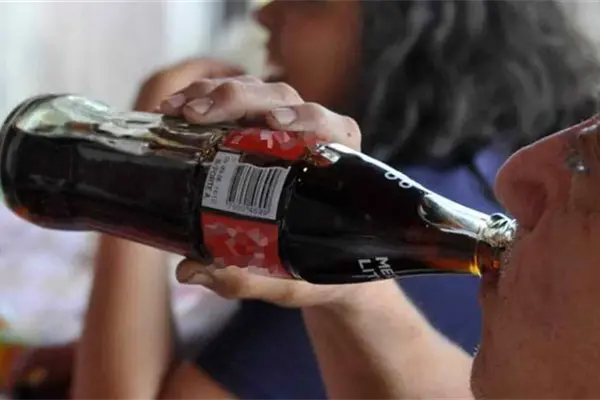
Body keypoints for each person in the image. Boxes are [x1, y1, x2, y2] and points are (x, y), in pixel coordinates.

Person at [66, 0, 600, 399]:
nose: (265, 15)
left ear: (406, 36)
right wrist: (347, 295)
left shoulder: (421, 217)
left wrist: (136, 169)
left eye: (590, 163)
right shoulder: (422, 188)